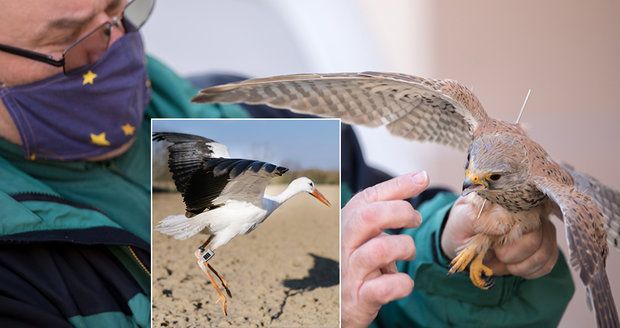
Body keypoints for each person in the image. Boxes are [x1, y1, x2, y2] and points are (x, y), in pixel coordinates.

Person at [0, 0, 248, 326]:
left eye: (119, 9)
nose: (118, 42)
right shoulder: (13, 279)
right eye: (71, 37)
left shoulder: (236, 102)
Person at [340, 127, 575, 328]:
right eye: (469, 168)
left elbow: (394, 295)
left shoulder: (332, 151)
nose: (469, 181)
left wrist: (441, 248)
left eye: (491, 176)